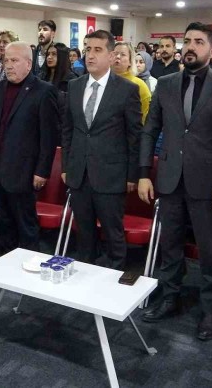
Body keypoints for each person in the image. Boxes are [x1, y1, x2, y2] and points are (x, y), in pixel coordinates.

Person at [138, 22, 212, 340]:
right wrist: (143, 173)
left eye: (198, 42)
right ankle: (170, 296)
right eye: (187, 41)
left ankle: (209, 309)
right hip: (169, 178)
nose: (190, 47)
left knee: (209, 251)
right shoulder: (166, 84)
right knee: (170, 244)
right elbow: (150, 130)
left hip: (208, 183)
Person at [61, 30, 142, 269]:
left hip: (111, 175)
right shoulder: (74, 86)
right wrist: (66, 166)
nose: (90, 55)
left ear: (111, 55)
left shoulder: (126, 89)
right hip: (79, 173)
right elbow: (68, 131)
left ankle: (114, 277)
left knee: (113, 233)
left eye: (98, 50)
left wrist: (133, 174)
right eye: (88, 49)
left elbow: (134, 136)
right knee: (84, 234)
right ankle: (85, 276)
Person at [0, 41, 58, 257]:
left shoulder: (44, 91)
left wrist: (42, 170)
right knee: (3, 221)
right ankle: (5, 263)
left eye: (14, 60)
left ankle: (29, 263)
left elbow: (48, 136)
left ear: (28, 64)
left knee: (25, 223)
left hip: (24, 170)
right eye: (6, 60)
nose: (8, 65)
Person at [112, 42, 152, 123]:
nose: (118, 57)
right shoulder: (102, 81)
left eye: (123, 54)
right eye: (115, 54)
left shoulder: (139, 85)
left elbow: (146, 116)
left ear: (130, 61)